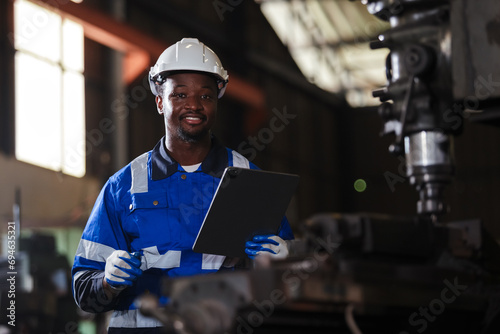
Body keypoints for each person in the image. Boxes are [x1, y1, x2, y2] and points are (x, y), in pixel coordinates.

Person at [71, 38, 294, 333]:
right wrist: (107, 280)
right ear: (160, 101)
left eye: (205, 96)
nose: (194, 105)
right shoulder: (122, 186)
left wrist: (284, 265)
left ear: (217, 101)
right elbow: (84, 291)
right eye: (180, 94)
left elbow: (294, 286)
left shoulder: (249, 179)